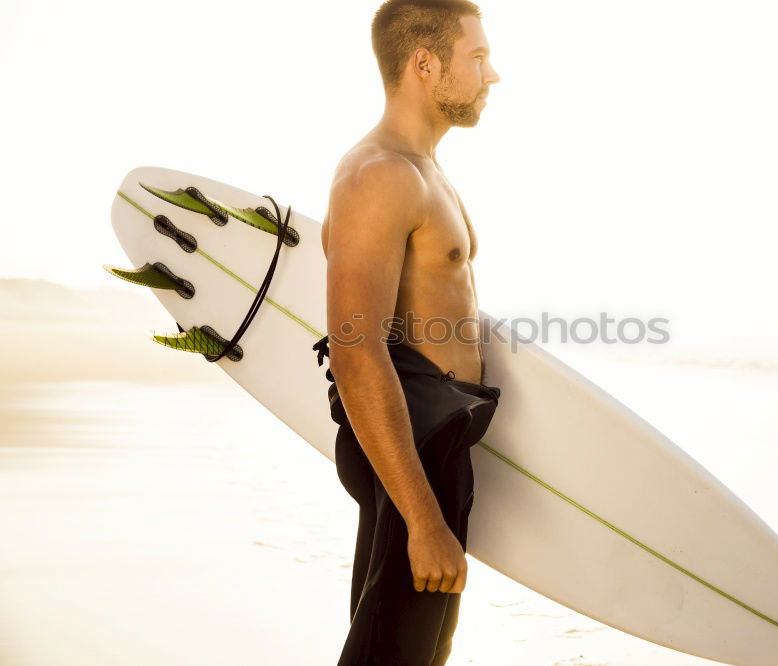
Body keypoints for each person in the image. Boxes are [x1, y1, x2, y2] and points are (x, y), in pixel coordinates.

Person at [311, 1, 501, 663]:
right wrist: (422, 518)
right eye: (476, 57)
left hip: (436, 442)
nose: (493, 74)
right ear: (425, 63)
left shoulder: (424, 171)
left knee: (415, 650)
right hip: (411, 452)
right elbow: (355, 348)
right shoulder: (381, 175)